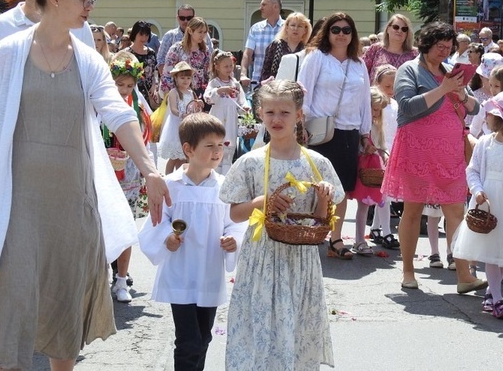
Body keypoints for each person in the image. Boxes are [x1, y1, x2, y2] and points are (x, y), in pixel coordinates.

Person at [0, 0, 170, 369]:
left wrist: (150, 169)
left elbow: (119, 113)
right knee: (9, 310)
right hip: (14, 208)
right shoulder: (9, 52)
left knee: (64, 310)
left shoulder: (88, 59)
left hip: (73, 207)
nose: (90, 6)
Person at [219, 79, 344, 370]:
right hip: (261, 256)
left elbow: (318, 216)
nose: (277, 119)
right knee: (260, 324)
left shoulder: (316, 163)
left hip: (300, 258)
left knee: (295, 325)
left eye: (285, 113)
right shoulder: (250, 162)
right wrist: (263, 202)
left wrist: (323, 197)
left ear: (299, 115)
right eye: (270, 112)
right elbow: (236, 214)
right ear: (260, 113)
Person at [380, 21, 485, 292]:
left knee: (455, 211)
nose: (444, 52)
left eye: (449, 48)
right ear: (427, 44)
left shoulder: (451, 70)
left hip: (449, 151)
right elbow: (407, 106)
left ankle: (464, 274)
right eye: (440, 47)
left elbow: (474, 108)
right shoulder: (409, 69)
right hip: (417, 147)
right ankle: (408, 271)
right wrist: (443, 89)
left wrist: (461, 94)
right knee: (413, 210)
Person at [139, 112, 245, 371]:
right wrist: (167, 238)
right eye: (209, 146)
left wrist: (234, 240)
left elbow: (235, 221)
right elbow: (156, 221)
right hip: (181, 273)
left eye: (221, 145)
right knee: (188, 342)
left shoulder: (224, 187)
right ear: (188, 149)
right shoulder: (170, 185)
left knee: (204, 337)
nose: (217, 151)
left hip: (209, 272)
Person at [297, 12, 372, 260]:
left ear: (353, 35)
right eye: (336, 30)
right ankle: (310, 231)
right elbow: (303, 90)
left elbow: (364, 101)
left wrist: (365, 133)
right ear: (327, 33)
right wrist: (301, 125)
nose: (341, 34)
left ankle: (336, 238)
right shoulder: (317, 57)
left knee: (342, 188)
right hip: (319, 130)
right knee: (315, 186)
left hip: (348, 130)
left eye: (346, 30)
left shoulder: (358, 64)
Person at [452, 90, 503, 318]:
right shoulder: (485, 143)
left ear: (501, 118)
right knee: (490, 251)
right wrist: (477, 190)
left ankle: (492, 292)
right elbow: (473, 170)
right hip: (490, 202)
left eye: (490, 113)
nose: (486, 117)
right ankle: (498, 299)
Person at [101, 52, 152, 303]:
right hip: (102, 172)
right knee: (100, 224)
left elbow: (145, 140)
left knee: (125, 223)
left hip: (128, 173)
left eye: (129, 85)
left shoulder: (138, 107)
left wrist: (148, 170)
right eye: (119, 84)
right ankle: (98, 278)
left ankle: (121, 280)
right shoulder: (98, 104)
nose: (124, 89)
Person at [348, 88, 389, 255]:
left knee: (365, 204)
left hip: (372, 168)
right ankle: (359, 239)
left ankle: (360, 239)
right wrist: (365, 148)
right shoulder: (360, 126)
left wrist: (383, 154)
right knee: (361, 204)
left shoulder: (377, 126)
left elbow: (381, 145)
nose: (377, 113)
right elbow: (358, 147)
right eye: (374, 108)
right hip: (361, 167)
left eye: (379, 110)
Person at [368, 65, 400, 250]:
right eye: (387, 86)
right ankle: (387, 232)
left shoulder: (394, 104)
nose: (391, 90)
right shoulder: (375, 104)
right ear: (377, 83)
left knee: (385, 195)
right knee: (384, 196)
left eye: (394, 86)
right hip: (379, 153)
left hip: (390, 152)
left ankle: (376, 228)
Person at [204, 50, 249, 174]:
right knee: (216, 145)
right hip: (217, 119)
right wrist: (219, 91)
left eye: (231, 65)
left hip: (231, 121)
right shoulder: (214, 83)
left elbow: (241, 101)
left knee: (228, 148)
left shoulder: (235, 84)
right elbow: (207, 98)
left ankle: (226, 177)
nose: (229, 68)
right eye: (226, 66)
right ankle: (213, 174)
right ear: (217, 67)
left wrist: (244, 108)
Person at [160, 61, 203, 174]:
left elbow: (194, 108)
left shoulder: (191, 93)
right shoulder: (174, 92)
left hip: (187, 127)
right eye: (182, 78)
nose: (185, 81)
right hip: (176, 127)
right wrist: (183, 115)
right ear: (176, 78)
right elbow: (173, 109)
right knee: (174, 157)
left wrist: (199, 106)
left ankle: (180, 177)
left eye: (188, 78)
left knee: (184, 156)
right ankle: (168, 178)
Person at [160, 17, 211, 105]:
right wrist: (169, 93)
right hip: (179, 93)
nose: (202, 35)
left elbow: (207, 73)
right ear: (190, 31)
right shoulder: (176, 49)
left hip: (198, 93)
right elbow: (167, 73)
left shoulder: (205, 51)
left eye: (204, 32)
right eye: (200, 32)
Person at [239, 0, 284, 92]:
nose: (261, 8)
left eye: (264, 5)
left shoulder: (287, 28)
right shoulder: (256, 28)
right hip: (258, 82)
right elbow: (247, 53)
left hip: (281, 83)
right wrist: (243, 74)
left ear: (275, 6)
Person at [157, 4, 214, 76]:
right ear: (177, 18)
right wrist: (171, 80)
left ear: (194, 17)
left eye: (189, 18)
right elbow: (161, 61)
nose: (186, 21)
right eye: (182, 18)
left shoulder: (205, 36)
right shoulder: (170, 36)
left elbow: (210, 60)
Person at [469, 64, 503, 137]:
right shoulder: (486, 106)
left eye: (497, 86)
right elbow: (473, 131)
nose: (492, 90)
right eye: (490, 85)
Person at [362, 14, 419, 81]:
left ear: (407, 33)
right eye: (396, 27)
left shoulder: (415, 54)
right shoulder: (375, 49)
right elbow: (362, 72)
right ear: (388, 29)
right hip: (375, 90)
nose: (400, 31)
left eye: (404, 29)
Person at [259, 11, 310, 81]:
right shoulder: (276, 45)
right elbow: (265, 72)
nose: (295, 29)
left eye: (300, 26)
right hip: (276, 88)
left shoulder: (307, 50)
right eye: (293, 25)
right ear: (286, 27)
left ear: (305, 30)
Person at [124, 20, 160, 111]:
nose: (144, 38)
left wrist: (154, 87)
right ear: (135, 34)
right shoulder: (126, 53)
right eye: (141, 34)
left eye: (146, 35)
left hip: (149, 92)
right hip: (132, 92)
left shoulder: (151, 52)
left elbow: (154, 72)